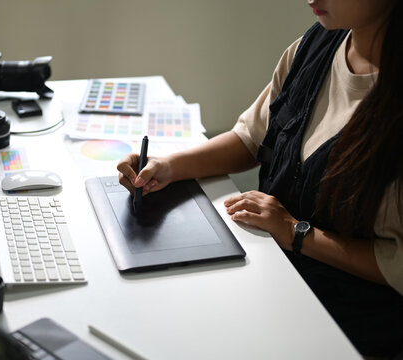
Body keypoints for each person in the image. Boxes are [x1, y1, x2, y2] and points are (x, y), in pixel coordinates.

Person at [117, 0, 403, 357]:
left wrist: (297, 233)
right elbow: (252, 137)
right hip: (271, 277)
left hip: (345, 325)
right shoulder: (314, 47)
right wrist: (169, 167)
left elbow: (396, 263)